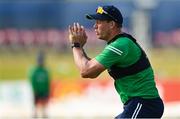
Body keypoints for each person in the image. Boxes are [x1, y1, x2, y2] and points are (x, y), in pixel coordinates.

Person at [68, 5, 164, 118]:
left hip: (144, 104)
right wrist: (80, 48)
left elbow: (86, 70)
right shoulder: (120, 43)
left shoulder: (120, 45)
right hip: (140, 104)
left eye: (99, 22)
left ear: (112, 24)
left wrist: (76, 45)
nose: (94, 26)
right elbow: (92, 70)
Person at [29, 51, 50, 118]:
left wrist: (47, 90)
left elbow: (47, 81)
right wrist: (34, 90)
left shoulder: (45, 71)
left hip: (44, 90)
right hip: (37, 91)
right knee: (36, 104)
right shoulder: (35, 71)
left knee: (44, 104)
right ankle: (35, 115)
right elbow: (33, 81)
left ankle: (44, 115)